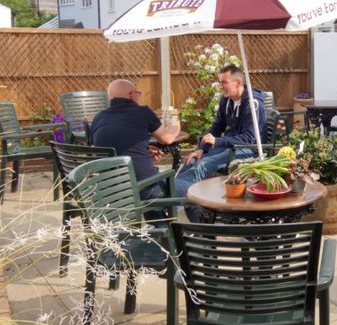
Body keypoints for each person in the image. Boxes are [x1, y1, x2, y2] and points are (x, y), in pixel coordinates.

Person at [175, 64, 266, 218]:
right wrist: (202, 148)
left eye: (224, 82)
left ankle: (179, 209)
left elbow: (249, 138)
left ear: (237, 82)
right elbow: (217, 126)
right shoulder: (227, 100)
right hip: (230, 146)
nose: (221, 87)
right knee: (192, 161)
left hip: (248, 149)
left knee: (201, 166)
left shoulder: (252, 103)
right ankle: (185, 208)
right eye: (220, 82)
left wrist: (217, 142)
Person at [89, 79, 179, 221]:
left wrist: (141, 151)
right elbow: (167, 139)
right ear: (131, 95)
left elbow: (107, 146)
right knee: (188, 191)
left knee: (148, 182)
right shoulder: (142, 112)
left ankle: (161, 228)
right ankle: (198, 238)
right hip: (139, 189)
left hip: (108, 190)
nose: (139, 96)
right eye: (138, 93)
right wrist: (175, 128)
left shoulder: (98, 118)